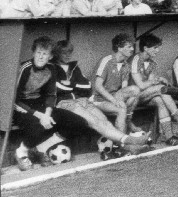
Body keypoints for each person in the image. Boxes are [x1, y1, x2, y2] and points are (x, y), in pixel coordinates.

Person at [51, 40, 150, 158]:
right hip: (65, 103)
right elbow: (58, 87)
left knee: (104, 120)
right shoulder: (52, 67)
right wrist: (74, 85)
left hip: (82, 100)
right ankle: (130, 141)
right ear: (57, 53)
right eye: (64, 53)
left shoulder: (74, 67)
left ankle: (123, 147)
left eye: (69, 52)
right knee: (95, 122)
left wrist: (70, 83)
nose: (67, 55)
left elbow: (87, 85)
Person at [12, 37, 90, 171]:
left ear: (51, 56)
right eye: (38, 53)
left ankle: (41, 149)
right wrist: (40, 116)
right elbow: (14, 98)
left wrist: (47, 114)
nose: (41, 57)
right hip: (20, 107)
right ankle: (21, 152)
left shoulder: (51, 68)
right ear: (33, 53)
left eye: (45, 54)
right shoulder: (25, 68)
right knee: (38, 125)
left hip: (40, 105)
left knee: (79, 122)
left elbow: (50, 94)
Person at [130, 33, 178, 144]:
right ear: (145, 48)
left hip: (146, 95)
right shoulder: (136, 59)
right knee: (161, 88)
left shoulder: (152, 63)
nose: (157, 50)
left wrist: (155, 80)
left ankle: (169, 137)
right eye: (155, 48)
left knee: (160, 101)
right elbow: (140, 86)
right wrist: (156, 81)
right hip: (132, 96)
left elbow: (149, 84)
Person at [92, 33, 141, 135]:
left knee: (135, 92)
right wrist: (114, 100)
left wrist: (125, 100)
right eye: (129, 46)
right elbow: (98, 86)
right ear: (119, 48)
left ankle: (126, 128)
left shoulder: (126, 65)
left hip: (115, 97)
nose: (132, 49)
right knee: (122, 108)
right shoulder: (107, 61)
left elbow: (124, 88)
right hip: (98, 100)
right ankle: (121, 143)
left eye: (133, 46)